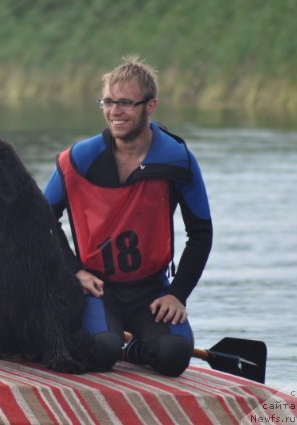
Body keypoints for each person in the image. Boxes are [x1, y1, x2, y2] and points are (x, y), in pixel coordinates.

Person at [43, 56, 212, 376]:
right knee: (101, 351)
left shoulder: (178, 160)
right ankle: (101, 337)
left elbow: (201, 232)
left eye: (125, 103)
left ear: (150, 106)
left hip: (151, 288)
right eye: (107, 101)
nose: (114, 111)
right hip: (97, 287)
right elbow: (41, 219)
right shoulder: (78, 159)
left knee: (174, 356)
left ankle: (136, 348)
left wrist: (178, 294)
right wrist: (74, 270)